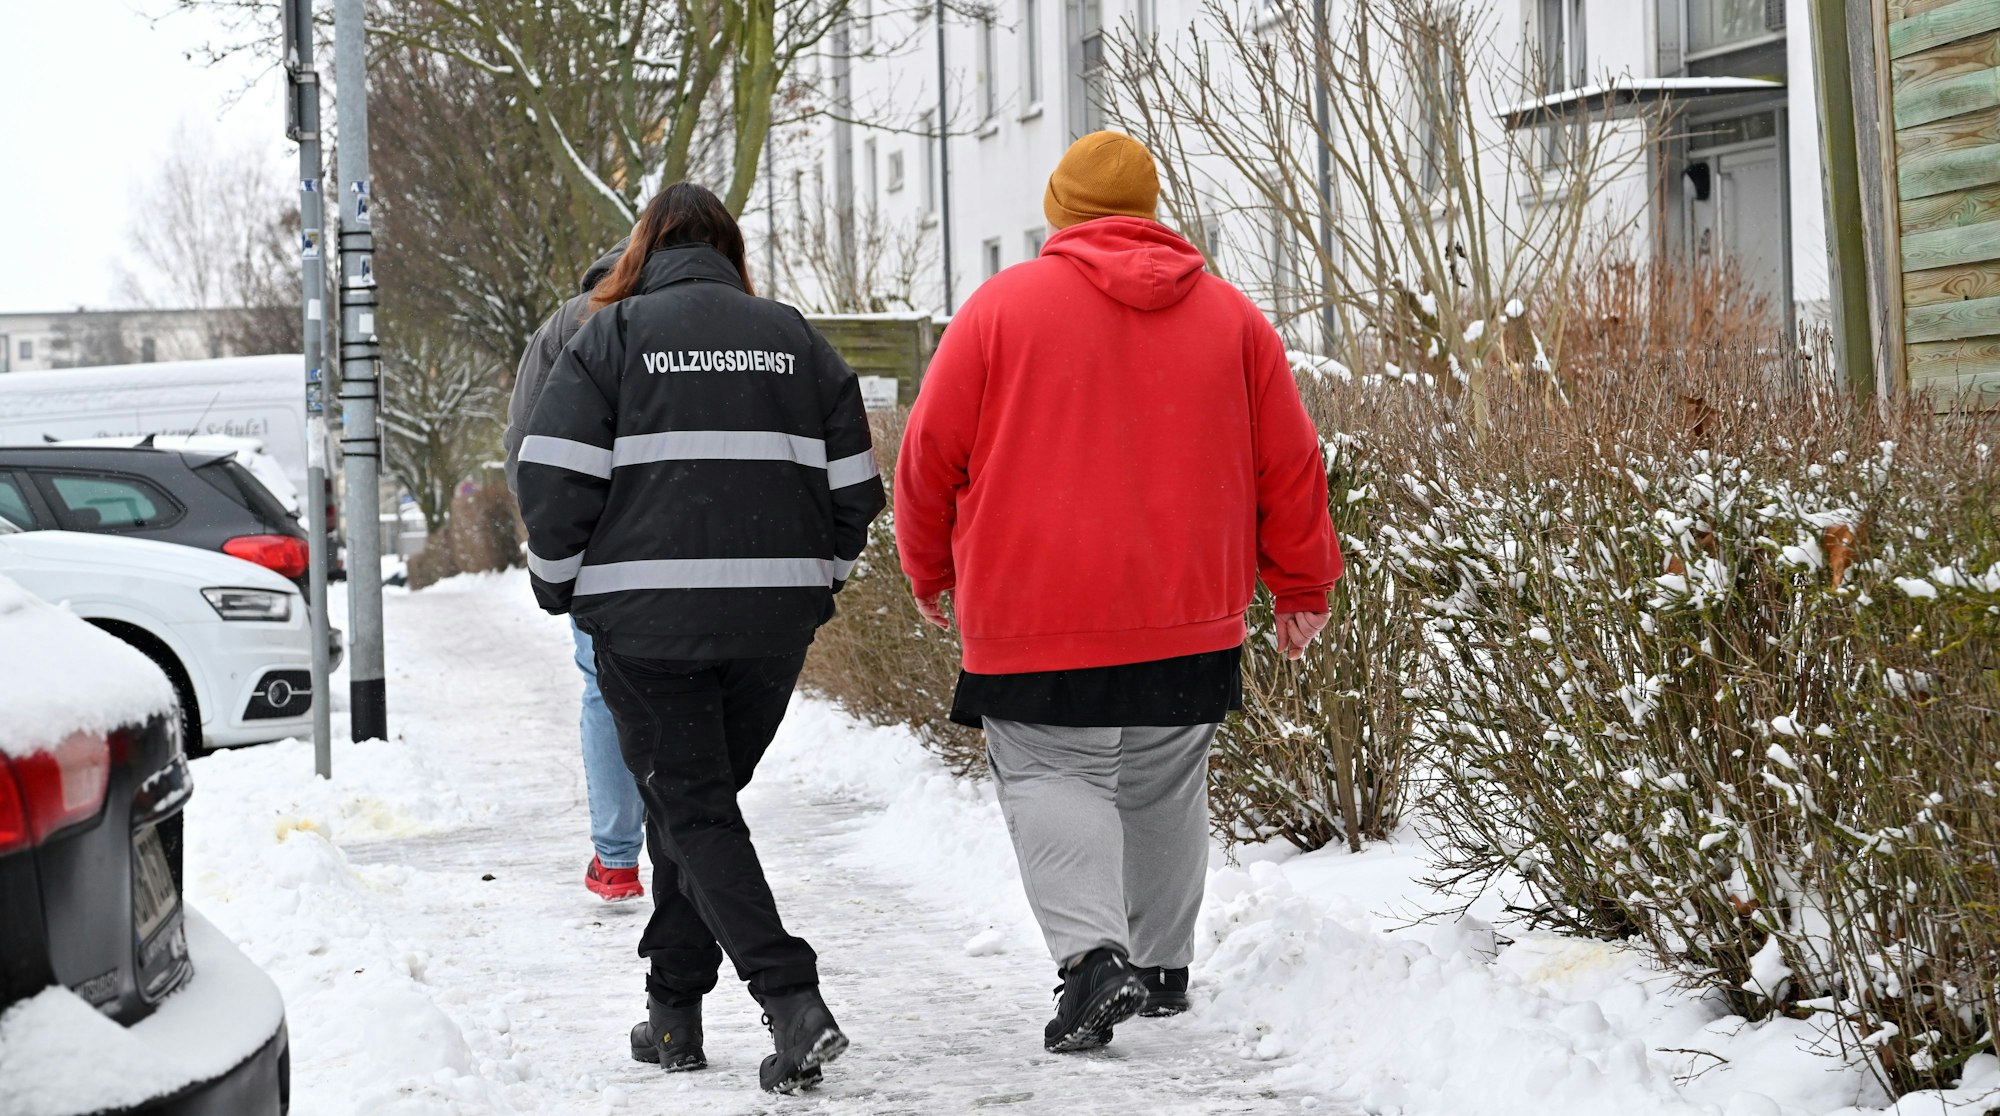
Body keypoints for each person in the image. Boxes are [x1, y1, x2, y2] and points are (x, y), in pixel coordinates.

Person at [894, 131, 1341, 1053]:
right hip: (1189, 614)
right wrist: (1300, 583)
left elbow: (928, 455)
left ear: (1060, 212)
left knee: (1056, 771)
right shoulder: (1232, 318)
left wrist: (928, 566)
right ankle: (1164, 964)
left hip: (1035, 613)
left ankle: (1097, 961)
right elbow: (1289, 465)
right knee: (1163, 780)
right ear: (1150, 208)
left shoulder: (998, 311)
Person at [517, 182, 884, 1094]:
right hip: (770, 624)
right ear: (729, 248)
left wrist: (560, 586)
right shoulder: (793, 338)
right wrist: (820, 581)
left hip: (647, 625)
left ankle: (792, 999)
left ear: (646, 246)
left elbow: (553, 478)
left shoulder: (611, 337)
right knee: (696, 809)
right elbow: (854, 487)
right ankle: (673, 1011)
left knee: (694, 809)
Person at [504, 238, 649, 904]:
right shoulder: (700, 320)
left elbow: (525, 443)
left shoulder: (568, 326)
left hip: (598, 546)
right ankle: (690, 844)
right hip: (687, 534)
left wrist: (547, 535)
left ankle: (616, 859)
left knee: (604, 688)